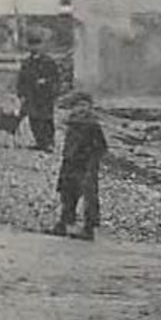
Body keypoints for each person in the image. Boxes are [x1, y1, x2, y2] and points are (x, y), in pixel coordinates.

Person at [47, 91, 108, 240]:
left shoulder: (93, 125)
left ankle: (89, 228)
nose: (81, 109)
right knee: (67, 192)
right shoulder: (72, 123)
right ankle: (64, 222)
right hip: (70, 162)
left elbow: (101, 147)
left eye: (84, 105)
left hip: (86, 163)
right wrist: (66, 157)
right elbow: (69, 144)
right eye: (77, 105)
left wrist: (93, 161)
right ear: (72, 108)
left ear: (90, 107)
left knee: (89, 195)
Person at [16, 28, 62, 151]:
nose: (34, 48)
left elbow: (56, 78)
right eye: (31, 45)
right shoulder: (26, 62)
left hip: (45, 95)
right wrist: (20, 93)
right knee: (33, 119)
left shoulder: (48, 61)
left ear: (41, 46)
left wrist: (46, 82)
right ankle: (40, 142)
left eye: (37, 45)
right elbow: (21, 79)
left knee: (46, 119)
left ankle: (49, 143)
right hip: (31, 95)